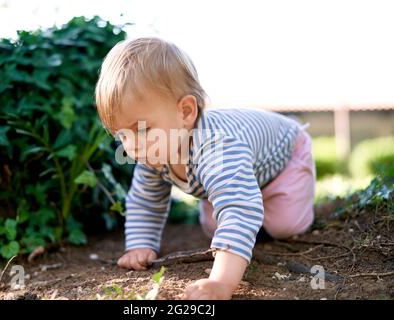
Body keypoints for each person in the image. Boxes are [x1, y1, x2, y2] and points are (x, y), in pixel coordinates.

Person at [94, 37, 316, 300]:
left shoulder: (216, 147)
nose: (132, 147)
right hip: (237, 173)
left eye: (141, 129)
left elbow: (239, 207)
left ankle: (269, 202)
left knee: (284, 226)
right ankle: (237, 199)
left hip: (285, 158)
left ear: (186, 112)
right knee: (214, 227)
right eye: (122, 135)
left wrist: (221, 283)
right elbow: (145, 201)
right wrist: (140, 245)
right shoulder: (152, 153)